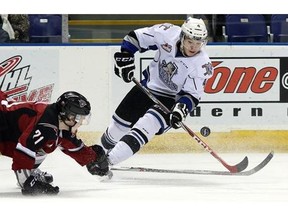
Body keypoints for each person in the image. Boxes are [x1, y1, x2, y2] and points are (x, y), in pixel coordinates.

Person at [86, 17, 214, 177]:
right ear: (182, 36)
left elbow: (192, 95)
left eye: (198, 43)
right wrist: (125, 55)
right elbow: (135, 38)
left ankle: (107, 162)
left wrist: (181, 110)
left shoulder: (202, 65)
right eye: (190, 42)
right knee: (118, 127)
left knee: (146, 126)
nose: (194, 47)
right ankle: (98, 154)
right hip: (147, 88)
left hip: (170, 101)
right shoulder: (166, 33)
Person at [0, 90, 106, 195]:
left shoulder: (58, 123)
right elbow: (25, 148)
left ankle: (31, 171)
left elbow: (71, 145)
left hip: (5, 124)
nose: (81, 123)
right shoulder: (46, 125)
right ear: (70, 117)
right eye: (80, 119)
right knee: (40, 143)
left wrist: (94, 156)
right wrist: (28, 183)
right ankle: (28, 174)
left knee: (46, 145)